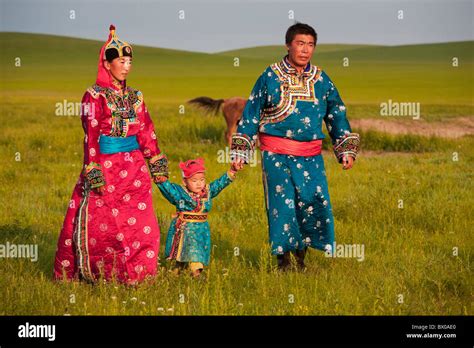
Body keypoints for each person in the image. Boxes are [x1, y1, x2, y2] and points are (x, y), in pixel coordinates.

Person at [230, 23, 360, 271]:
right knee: (283, 206)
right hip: (277, 155)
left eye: (310, 45)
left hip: (311, 156)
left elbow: (337, 113)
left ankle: (301, 260)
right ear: (288, 45)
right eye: (300, 43)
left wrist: (344, 150)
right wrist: (240, 152)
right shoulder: (269, 76)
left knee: (311, 203)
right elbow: (251, 115)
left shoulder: (321, 80)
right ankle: (283, 262)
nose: (305, 50)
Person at [53, 25, 169, 284]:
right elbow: (91, 137)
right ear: (106, 64)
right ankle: (102, 274)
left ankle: (139, 275)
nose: (126, 66)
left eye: (129, 61)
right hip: (106, 168)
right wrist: (92, 168)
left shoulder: (137, 97)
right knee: (105, 225)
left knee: (142, 224)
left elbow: (147, 132)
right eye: (120, 61)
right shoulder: (94, 97)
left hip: (136, 170)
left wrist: (156, 162)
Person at [157, 158, 243, 277]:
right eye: (194, 180)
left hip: (202, 229)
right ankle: (196, 273)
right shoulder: (180, 193)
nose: (199, 183)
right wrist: (162, 181)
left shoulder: (207, 191)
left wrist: (232, 171)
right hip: (186, 229)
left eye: (202, 180)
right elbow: (169, 190)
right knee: (192, 252)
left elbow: (219, 184)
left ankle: (176, 273)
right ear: (185, 181)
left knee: (189, 255)